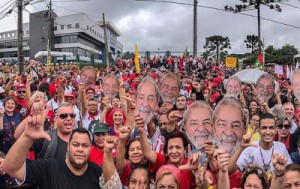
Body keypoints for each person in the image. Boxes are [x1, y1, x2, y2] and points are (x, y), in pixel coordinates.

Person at [2, 105, 119, 189]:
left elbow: (113, 185)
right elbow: (11, 168)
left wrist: (108, 152)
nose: (80, 149)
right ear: (68, 147)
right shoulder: (48, 168)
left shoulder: (96, 172)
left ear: (90, 149)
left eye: (85, 145)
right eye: (75, 145)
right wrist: (27, 136)